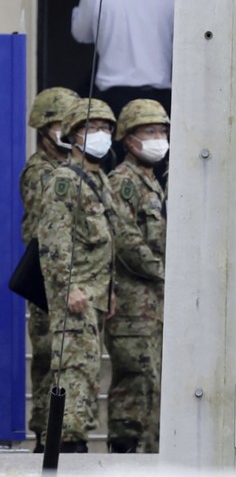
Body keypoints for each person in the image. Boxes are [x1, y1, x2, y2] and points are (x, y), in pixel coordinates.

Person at [37, 98, 144, 452]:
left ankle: (74, 441)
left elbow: (104, 244)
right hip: (76, 295)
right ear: (73, 135)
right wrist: (67, 288)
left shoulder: (99, 180)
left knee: (86, 372)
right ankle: (65, 445)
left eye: (105, 128)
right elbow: (54, 241)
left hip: (95, 295)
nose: (101, 134)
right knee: (73, 372)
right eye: (91, 128)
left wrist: (108, 291)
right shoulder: (65, 180)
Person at [105, 99, 170, 453]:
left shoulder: (151, 181)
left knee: (155, 385)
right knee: (136, 383)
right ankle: (126, 454)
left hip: (155, 305)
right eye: (150, 131)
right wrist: (168, 273)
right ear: (129, 139)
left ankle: (148, 455)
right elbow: (127, 242)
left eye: (162, 131)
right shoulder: (123, 182)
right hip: (134, 305)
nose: (159, 138)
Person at [19, 87, 80, 452]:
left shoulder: (68, 169)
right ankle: (45, 433)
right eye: (61, 124)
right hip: (47, 276)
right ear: (44, 128)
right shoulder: (41, 171)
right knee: (47, 356)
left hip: (64, 272)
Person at [70, 0, 174, 119]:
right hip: (160, 96)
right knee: (157, 147)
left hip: (114, 96)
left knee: (116, 149)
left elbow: (81, 34)